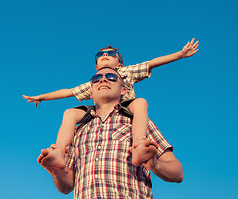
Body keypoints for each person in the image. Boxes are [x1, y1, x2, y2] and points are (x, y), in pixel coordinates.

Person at [24, 38, 198, 168]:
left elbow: (152, 63)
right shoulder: (94, 82)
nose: (105, 55)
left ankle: (138, 144)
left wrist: (180, 55)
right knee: (70, 113)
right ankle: (59, 152)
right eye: (100, 55)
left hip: (125, 108)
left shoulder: (126, 72)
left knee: (140, 103)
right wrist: (41, 97)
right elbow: (68, 92)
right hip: (100, 110)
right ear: (96, 68)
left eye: (111, 53)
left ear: (120, 63)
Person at [38, 67, 183, 199]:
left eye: (111, 77)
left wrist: (154, 164)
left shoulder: (138, 121)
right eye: (96, 79)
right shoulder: (77, 131)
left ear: (123, 91)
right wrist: (57, 172)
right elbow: (67, 186)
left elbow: (177, 173)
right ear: (91, 93)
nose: (103, 79)